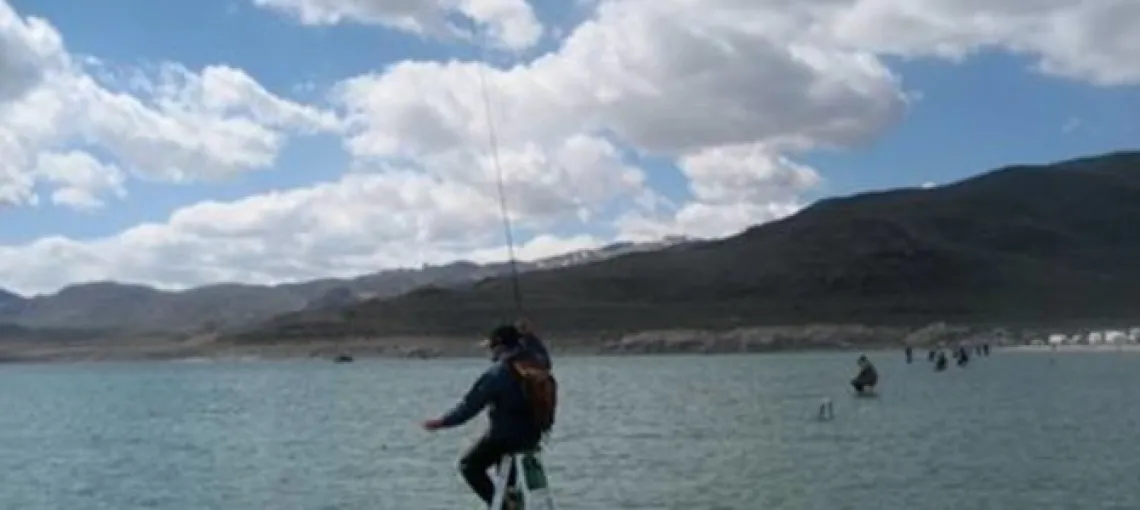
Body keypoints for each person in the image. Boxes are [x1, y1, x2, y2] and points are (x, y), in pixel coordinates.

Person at [421, 324, 557, 508]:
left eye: (492, 347)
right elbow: (542, 352)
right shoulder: (537, 362)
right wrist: (531, 336)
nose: (491, 352)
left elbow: (469, 407)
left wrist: (442, 422)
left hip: (505, 438)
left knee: (469, 466)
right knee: (503, 457)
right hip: (532, 437)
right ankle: (512, 495)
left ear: (500, 347)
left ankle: (504, 506)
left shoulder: (498, 374)